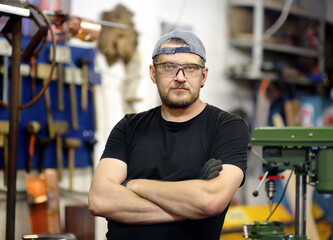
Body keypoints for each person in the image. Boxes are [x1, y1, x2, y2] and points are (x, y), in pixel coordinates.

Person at [88, 29, 249, 240]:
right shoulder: (128, 127)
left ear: (204, 75)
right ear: (153, 74)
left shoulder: (227, 127)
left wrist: (135, 185)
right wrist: (189, 207)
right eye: (169, 67)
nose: (180, 77)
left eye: (190, 68)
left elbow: (210, 201)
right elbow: (100, 200)